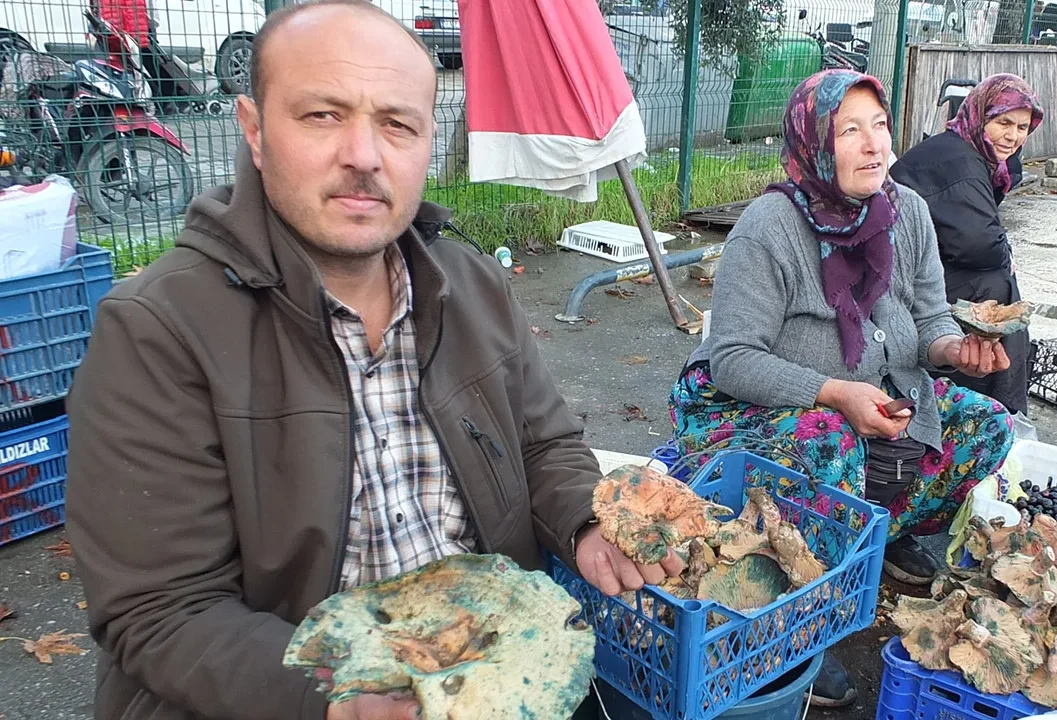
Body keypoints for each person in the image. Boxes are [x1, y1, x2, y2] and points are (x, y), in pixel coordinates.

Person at [63, 2, 681, 719]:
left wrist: (586, 521)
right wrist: (334, 699)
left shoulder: (470, 285)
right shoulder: (158, 330)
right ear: (255, 131)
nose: (364, 154)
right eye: (322, 115)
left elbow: (546, 446)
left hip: (488, 672)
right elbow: (162, 612)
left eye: (397, 123)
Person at [667, 69, 1015, 707]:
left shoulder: (905, 211)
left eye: (879, 126)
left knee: (987, 424)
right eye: (849, 130)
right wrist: (833, 392)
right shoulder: (769, 227)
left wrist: (953, 351)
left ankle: (890, 532)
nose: (873, 145)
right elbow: (732, 360)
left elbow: (932, 315)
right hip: (754, 409)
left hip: (878, 389)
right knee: (832, 443)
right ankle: (796, 628)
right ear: (813, 144)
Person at [889, 73, 1044, 419]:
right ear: (979, 116)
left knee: (998, 284)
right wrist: (1006, 254)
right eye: (1003, 122)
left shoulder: (969, 149)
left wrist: (1004, 251)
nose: (1013, 136)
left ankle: (995, 400)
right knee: (995, 286)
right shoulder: (960, 162)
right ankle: (996, 404)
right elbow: (977, 243)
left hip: (917, 261)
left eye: (1022, 127)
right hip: (893, 275)